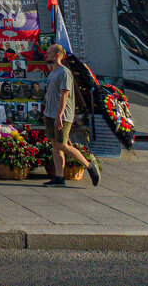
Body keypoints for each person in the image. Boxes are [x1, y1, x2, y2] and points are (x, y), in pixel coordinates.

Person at [43, 44, 101, 187]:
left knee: (62, 144)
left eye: (49, 52)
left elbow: (65, 94)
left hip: (61, 115)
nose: (46, 54)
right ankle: (59, 177)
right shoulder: (53, 72)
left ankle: (89, 166)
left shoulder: (64, 72)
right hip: (50, 113)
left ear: (57, 55)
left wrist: (59, 115)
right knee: (55, 145)